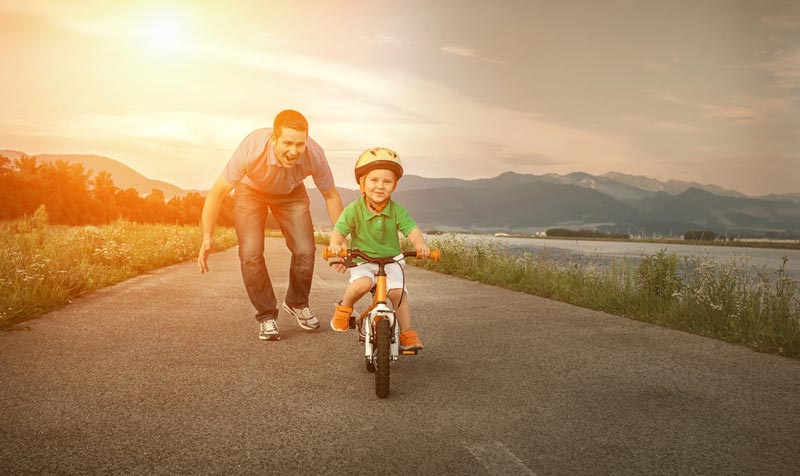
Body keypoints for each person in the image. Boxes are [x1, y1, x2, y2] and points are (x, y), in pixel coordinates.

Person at [197, 109, 344, 341]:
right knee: (251, 253)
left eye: (300, 144)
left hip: (291, 192)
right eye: (287, 143)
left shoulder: (315, 154)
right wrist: (207, 236)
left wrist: (341, 236)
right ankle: (266, 316)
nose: (294, 151)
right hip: (250, 191)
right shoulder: (252, 148)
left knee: (306, 250)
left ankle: (297, 302)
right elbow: (217, 193)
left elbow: (331, 195)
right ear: (274, 138)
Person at [327, 147, 429, 351]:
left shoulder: (397, 210)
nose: (380, 186)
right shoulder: (354, 210)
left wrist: (420, 244)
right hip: (362, 260)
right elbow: (339, 231)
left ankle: (407, 334)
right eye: (374, 180)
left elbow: (412, 229)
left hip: (392, 260)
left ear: (395, 185)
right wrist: (336, 245)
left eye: (387, 181)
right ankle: (344, 309)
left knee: (397, 294)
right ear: (362, 183)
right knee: (361, 284)